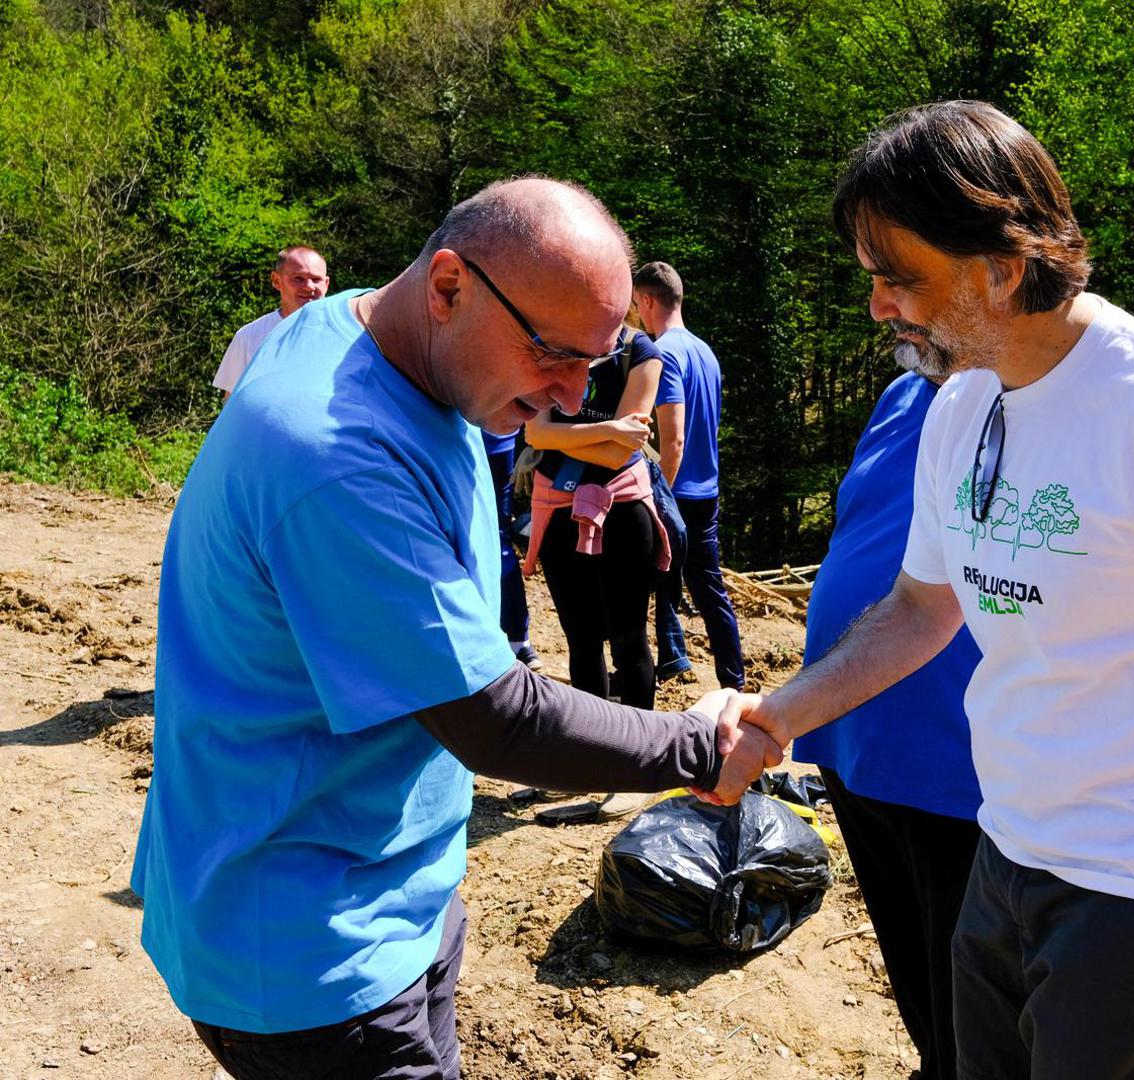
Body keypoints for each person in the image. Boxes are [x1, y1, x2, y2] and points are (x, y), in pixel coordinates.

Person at [724, 102, 1134, 1079]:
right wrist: (773, 716)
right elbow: (920, 611)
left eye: (897, 278)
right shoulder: (960, 405)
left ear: (1001, 266)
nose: (877, 307)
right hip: (1007, 857)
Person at [132, 177, 777, 1080]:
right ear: (447, 288)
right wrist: (698, 748)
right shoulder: (335, 455)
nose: (568, 398)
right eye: (552, 355)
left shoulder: (369, 336)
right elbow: (491, 717)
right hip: (309, 946)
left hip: (390, 888)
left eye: (594, 365)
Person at [792, 364, 984, 1080]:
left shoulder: (1042, 396)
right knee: (921, 986)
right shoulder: (905, 390)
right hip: (852, 745)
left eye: (902, 277)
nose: (880, 307)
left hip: (954, 767)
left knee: (977, 1008)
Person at [521, 322, 667, 710]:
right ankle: (596, 754)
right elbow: (535, 434)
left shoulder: (642, 351)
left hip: (622, 511)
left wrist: (565, 436)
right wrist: (609, 428)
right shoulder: (553, 340)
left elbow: (617, 454)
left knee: (628, 640)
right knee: (581, 642)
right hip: (559, 513)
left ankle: (639, 756)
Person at [634, 262, 748, 691]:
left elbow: (674, 439)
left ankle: (652, 668)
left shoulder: (663, 353)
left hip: (677, 489)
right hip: (708, 489)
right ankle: (729, 684)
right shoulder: (705, 352)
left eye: (637, 305)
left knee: (648, 579)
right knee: (708, 589)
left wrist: (655, 491)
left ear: (647, 301)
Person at [212, 245, 330, 401]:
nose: (309, 287)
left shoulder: (349, 335)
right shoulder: (249, 337)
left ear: (326, 283)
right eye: (298, 278)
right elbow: (232, 404)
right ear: (276, 280)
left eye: (316, 279)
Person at [481, 427, 544, 672]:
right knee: (499, 540)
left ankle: (514, 640)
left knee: (492, 540)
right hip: (499, 438)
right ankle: (519, 641)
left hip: (471, 440)